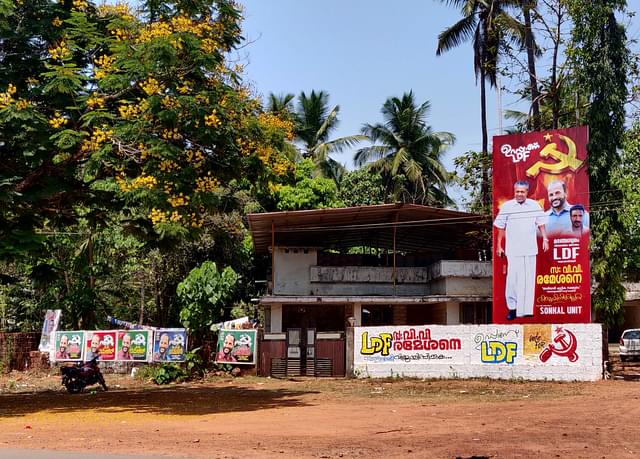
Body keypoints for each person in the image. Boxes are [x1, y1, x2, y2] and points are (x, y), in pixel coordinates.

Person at [494, 181, 549, 320]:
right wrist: (499, 245)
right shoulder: (507, 206)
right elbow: (500, 227)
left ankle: (526, 310)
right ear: (514, 191)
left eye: (522, 192)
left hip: (530, 249)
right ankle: (513, 308)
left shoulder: (534, 205)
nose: (519, 194)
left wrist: (545, 239)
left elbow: (541, 223)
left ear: (527, 192)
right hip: (513, 250)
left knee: (528, 280)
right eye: (517, 191)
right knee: (512, 280)